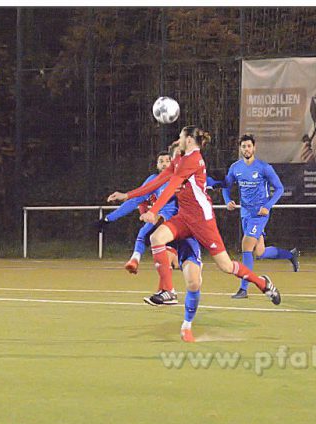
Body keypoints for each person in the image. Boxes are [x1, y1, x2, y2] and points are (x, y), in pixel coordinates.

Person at [106, 126, 281, 311]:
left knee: (226, 266)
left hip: (202, 220)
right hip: (184, 217)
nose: (178, 140)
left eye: (181, 137)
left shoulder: (193, 159)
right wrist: (127, 195)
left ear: (189, 140)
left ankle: (263, 284)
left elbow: (170, 187)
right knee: (156, 237)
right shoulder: (180, 159)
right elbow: (158, 181)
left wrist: (153, 210)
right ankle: (168, 291)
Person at [222, 134, 300, 299]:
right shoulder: (235, 168)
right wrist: (228, 200)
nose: (246, 149)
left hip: (259, 215)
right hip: (245, 213)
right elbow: (225, 186)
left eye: (249, 146)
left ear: (254, 148)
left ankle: (244, 288)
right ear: (240, 149)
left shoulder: (264, 167)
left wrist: (267, 206)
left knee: (246, 245)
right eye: (243, 146)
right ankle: (290, 255)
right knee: (260, 252)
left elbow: (279, 188)